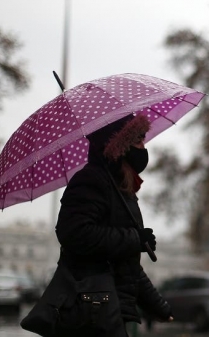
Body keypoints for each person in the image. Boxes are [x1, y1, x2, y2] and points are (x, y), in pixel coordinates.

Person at [54, 114, 173, 336]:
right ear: (119, 146)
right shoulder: (91, 180)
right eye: (137, 140)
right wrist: (134, 239)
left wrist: (158, 307)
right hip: (91, 311)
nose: (142, 147)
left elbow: (127, 266)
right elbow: (74, 233)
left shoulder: (120, 189)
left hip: (110, 310)